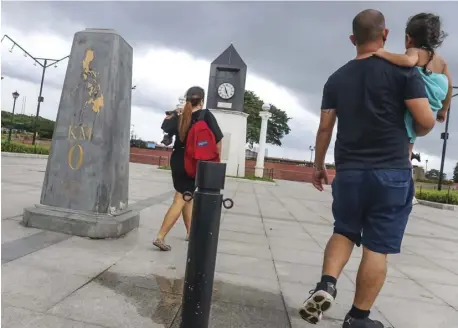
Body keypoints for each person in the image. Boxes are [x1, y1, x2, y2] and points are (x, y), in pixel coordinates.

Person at [298, 9, 436, 328]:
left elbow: (324, 127)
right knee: (376, 246)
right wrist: (423, 127)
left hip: (349, 171)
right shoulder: (403, 73)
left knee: (344, 229)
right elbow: (426, 120)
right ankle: (358, 318)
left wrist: (318, 165)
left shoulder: (337, 78)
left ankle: (326, 285)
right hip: (391, 172)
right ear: (385, 35)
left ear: (352, 39)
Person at [375, 13, 452, 207]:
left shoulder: (415, 52)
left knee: (406, 152)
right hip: (432, 110)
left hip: (415, 110)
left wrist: (383, 53)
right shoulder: (441, 62)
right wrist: (443, 110)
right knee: (409, 148)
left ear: (409, 38)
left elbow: (407, 62)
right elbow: (449, 87)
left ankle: (404, 190)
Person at [153, 86, 223, 251]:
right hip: (193, 163)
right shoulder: (206, 116)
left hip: (178, 161)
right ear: (202, 100)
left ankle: (191, 233)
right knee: (181, 199)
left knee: (187, 197)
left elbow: (166, 129)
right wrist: (214, 162)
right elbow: (218, 140)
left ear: (187, 99)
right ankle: (160, 236)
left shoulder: (180, 115)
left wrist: (175, 113)